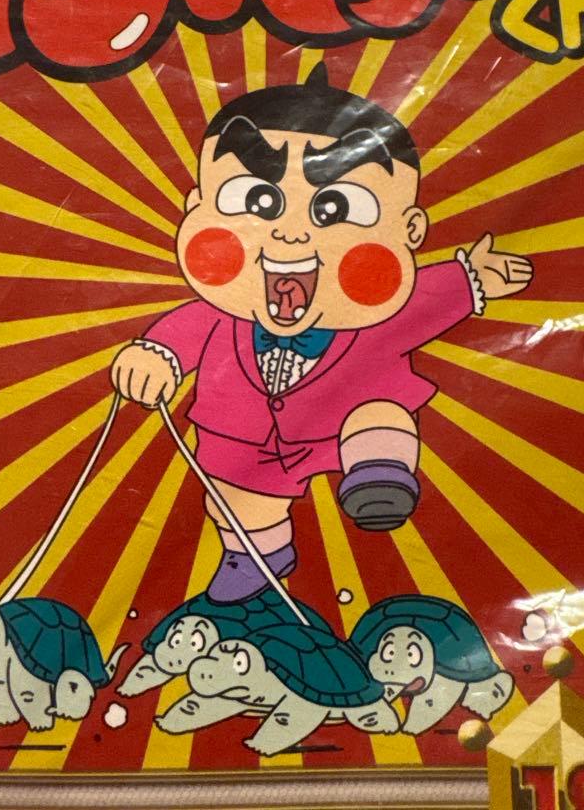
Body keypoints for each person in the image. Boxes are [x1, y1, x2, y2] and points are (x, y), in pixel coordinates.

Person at [110, 64, 533, 602]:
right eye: (257, 203)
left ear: (409, 231)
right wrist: (154, 358)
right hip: (242, 437)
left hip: (348, 415)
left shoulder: (385, 318)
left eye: (335, 208)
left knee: (378, 414)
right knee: (233, 501)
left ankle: (379, 472)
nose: (290, 232)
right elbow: (181, 334)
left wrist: (473, 278)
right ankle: (258, 555)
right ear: (197, 209)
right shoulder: (217, 316)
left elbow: (432, 295)